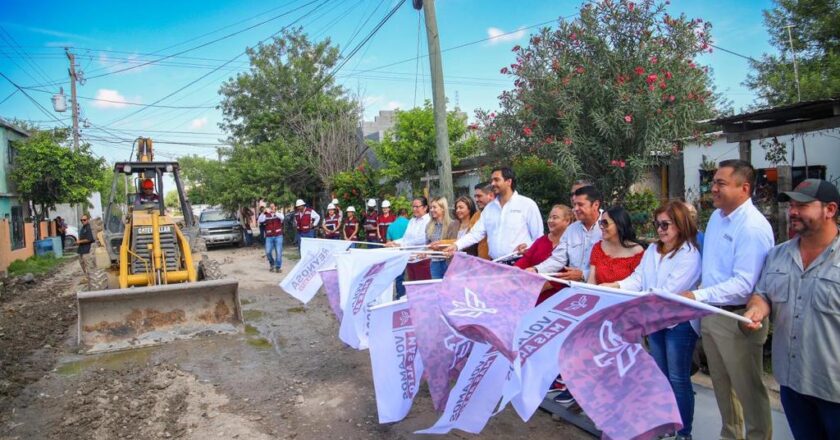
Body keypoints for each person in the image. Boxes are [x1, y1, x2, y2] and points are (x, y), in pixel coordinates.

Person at [679, 159, 774, 440]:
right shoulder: (718, 219)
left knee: (749, 391)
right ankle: (730, 436)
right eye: (713, 181)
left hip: (739, 318)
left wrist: (697, 294)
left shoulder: (752, 227)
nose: (713, 188)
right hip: (711, 314)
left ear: (744, 188)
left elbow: (745, 284)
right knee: (722, 386)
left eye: (720, 183)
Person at [743, 179, 840, 440]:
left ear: (830, 210)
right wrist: (756, 310)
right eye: (791, 205)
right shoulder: (777, 255)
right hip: (792, 383)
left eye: (803, 205)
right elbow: (763, 294)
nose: (793, 211)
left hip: (834, 388)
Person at [603, 201, 702, 440]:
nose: (660, 229)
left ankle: (683, 432)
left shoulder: (690, 254)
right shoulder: (652, 251)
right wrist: (615, 285)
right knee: (660, 376)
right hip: (654, 322)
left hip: (679, 325)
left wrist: (637, 300)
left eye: (665, 224)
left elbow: (667, 291)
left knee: (678, 379)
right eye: (657, 224)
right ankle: (664, 425)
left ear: (680, 224)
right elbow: (638, 278)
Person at [443, 167, 543, 261]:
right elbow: (475, 234)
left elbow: (539, 238)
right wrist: (456, 245)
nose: (492, 183)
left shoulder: (527, 205)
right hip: (495, 264)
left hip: (520, 263)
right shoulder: (489, 209)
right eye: (492, 180)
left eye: (496, 180)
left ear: (508, 182)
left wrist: (528, 248)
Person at [529, 185, 603, 282]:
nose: (576, 208)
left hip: (601, 288)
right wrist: (535, 270)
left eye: (580, 204)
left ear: (596, 205)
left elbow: (616, 264)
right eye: (574, 204)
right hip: (574, 288)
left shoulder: (609, 226)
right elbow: (558, 259)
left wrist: (583, 274)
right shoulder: (571, 229)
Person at [514, 204, 574, 304]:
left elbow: (565, 273)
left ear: (567, 221)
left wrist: (539, 286)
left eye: (555, 218)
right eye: (550, 217)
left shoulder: (572, 243)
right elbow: (526, 260)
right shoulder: (541, 241)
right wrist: (513, 271)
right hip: (530, 293)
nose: (550, 221)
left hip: (557, 298)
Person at [587, 206, 644, 285]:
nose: (601, 227)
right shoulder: (598, 247)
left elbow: (638, 282)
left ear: (619, 224)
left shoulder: (637, 251)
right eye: (601, 223)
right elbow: (591, 281)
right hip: (600, 295)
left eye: (605, 223)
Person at [386, 197, 432, 280]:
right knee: (413, 288)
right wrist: (394, 242)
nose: (414, 209)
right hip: (410, 259)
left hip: (422, 260)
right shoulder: (412, 221)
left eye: (417, 207)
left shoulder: (429, 220)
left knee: (422, 288)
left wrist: (401, 245)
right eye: (413, 207)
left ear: (425, 207)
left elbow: (422, 239)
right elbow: (405, 238)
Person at [425, 197, 456, 279]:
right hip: (435, 263)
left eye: (434, 207)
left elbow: (455, 244)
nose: (431, 210)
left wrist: (439, 247)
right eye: (431, 207)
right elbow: (427, 244)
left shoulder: (452, 225)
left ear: (443, 208)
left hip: (449, 262)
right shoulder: (429, 226)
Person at [387, 208, 411, 299]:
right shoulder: (410, 223)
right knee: (409, 276)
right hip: (409, 253)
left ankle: (400, 296)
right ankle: (409, 296)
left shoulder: (391, 226)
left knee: (399, 276)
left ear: (397, 216)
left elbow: (388, 242)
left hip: (396, 254)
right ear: (406, 215)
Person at [472, 182, 495, 259]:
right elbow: (470, 236)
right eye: (475, 196)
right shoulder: (476, 216)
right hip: (482, 263)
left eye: (479, 196)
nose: (476, 200)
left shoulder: (502, 212)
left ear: (491, 195)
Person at [258, 204, 284, 272]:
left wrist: (274, 212)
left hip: (278, 236)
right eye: (270, 207)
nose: (272, 208)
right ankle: (272, 264)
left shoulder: (278, 213)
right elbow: (260, 220)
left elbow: (282, 218)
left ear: (275, 207)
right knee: (268, 252)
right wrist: (264, 212)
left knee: (278, 252)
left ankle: (278, 267)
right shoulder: (266, 215)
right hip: (269, 236)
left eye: (273, 206)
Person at [76, 215, 95, 289]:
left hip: (87, 250)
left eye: (84, 220)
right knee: (82, 264)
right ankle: (87, 279)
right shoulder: (83, 228)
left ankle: (91, 281)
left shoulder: (88, 228)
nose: (83, 221)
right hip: (81, 250)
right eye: (81, 220)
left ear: (88, 220)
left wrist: (79, 241)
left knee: (88, 265)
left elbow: (89, 239)